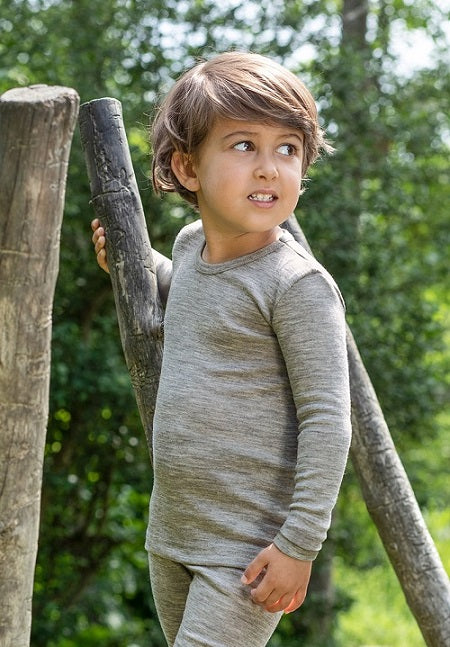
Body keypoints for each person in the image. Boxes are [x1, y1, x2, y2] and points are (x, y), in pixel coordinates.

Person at [91, 51, 352, 647]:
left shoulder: (298, 286)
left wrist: (298, 543)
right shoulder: (189, 248)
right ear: (187, 167)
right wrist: (137, 265)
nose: (269, 169)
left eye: (287, 149)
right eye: (243, 146)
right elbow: (197, 297)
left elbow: (328, 423)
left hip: (247, 548)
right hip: (173, 530)